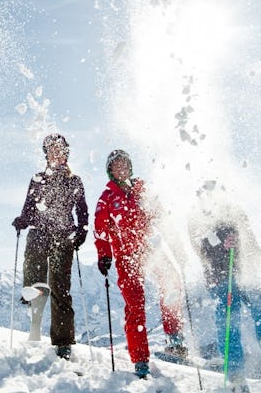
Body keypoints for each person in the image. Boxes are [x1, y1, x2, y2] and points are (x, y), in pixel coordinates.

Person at [188, 184, 261, 392]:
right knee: (228, 319)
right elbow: (199, 249)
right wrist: (219, 246)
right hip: (219, 278)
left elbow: (251, 243)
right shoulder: (197, 218)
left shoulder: (235, 212)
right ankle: (235, 373)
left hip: (243, 273)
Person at [93, 149, 177, 378]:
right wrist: (104, 255)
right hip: (126, 256)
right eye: (116, 166)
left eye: (124, 164)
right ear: (110, 171)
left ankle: (175, 338)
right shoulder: (107, 198)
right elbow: (100, 230)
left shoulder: (142, 190)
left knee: (171, 281)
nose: (121, 169)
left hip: (150, 248)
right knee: (135, 306)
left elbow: (160, 216)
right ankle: (140, 360)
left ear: (130, 167)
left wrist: (173, 242)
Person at [11, 133, 88, 360]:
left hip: (62, 237)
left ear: (66, 153)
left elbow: (82, 210)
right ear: (47, 154)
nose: (57, 152)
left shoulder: (74, 181)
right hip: (40, 233)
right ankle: (32, 290)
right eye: (52, 149)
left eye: (61, 149)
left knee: (60, 289)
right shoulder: (37, 179)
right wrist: (22, 220)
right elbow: (29, 209)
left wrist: (82, 230)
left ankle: (63, 342)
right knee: (33, 257)